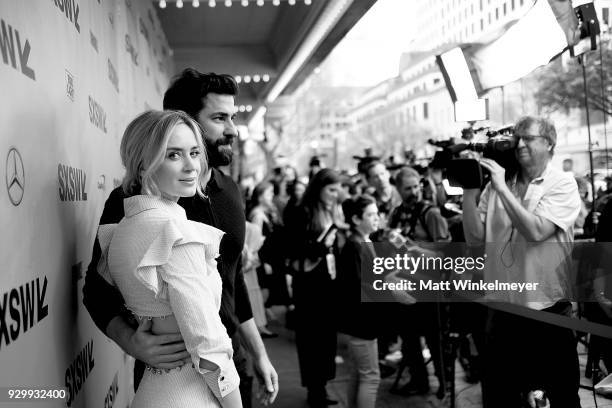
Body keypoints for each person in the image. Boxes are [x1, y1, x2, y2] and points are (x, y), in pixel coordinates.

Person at [83, 69, 278, 407]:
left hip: (231, 364)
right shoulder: (135, 203)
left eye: (232, 117)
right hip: (175, 374)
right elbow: (96, 288)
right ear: (183, 120)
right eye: (219, 118)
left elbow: (232, 278)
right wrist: (130, 340)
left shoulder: (230, 191)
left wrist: (257, 352)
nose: (232, 129)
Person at [97, 110, 241, 407]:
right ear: (141, 165)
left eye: (194, 152)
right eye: (173, 155)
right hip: (192, 394)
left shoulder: (124, 227)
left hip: (152, 392)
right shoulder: (174, 233)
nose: (191, 166)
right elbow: (209, 347)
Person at [462, 116, 581, 408]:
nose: (520, 143)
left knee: (557, 396)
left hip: (547, 310)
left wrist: (502, 187)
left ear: (549, 144)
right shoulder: (498, 184)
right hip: (502, 310)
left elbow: (536, 231)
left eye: (528, 137)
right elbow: (475, 238)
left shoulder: (562, 184)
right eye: (518, 137)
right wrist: (468, 189)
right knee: (501, 395)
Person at [285, 169, 344, 407]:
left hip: (328, 281)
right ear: (319, 188)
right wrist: (323, 245)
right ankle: (315, 389)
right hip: (308, 283)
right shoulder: (303, 210)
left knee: (327, 337)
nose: (335, 194)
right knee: (311, 338)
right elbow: (296, 247)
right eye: (331, 189)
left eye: (337, 189)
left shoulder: (329, 209)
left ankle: (322, 385)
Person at [337, 195, 381, 408]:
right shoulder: (355, 246)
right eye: (371, 215)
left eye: (377, 214)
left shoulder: (363, 241)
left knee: (359, 373)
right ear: (356, 219)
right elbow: (361, 286)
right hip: (362, 322)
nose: (376, 218)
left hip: (360, 321)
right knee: (371, 377)